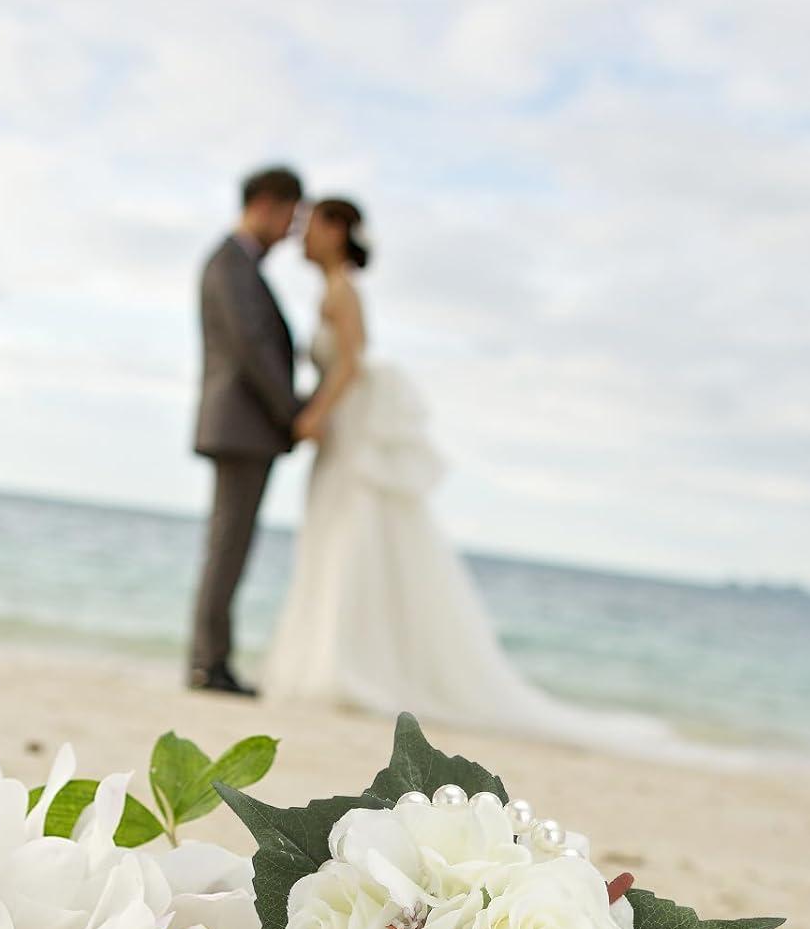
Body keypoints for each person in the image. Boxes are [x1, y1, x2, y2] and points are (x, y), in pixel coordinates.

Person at [264, 197, 671, 752]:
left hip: (350, 435)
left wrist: (313, 414)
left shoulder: (343, 293)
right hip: (343, 435)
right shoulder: (333, 291)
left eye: (309, 226)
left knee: (351, 542)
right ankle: (324, 663)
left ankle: (343, 666)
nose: (301, 238)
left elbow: (352, 365)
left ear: (336, 230)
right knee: (336, 543)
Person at [188, 165, 304, 696]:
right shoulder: (231, 263)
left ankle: (211, 659)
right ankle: (209, 663)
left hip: (242, 426)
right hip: (242, 425)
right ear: (266, 204)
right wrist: (293, 412)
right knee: (228, 544)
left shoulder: (239, 264)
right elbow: (252, 349)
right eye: (289, 216)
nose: (290, 230)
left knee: (229, 543)